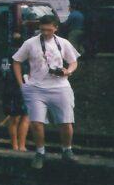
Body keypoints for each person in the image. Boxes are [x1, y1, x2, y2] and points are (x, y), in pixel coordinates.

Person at [12, 15, 79, 168]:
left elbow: (74, 61)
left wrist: (68, 71)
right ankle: (40, 152)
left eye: (49, 30)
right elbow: (16, 61)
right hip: (35, 88)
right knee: (36, 122)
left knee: (66, 121)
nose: (46, 33)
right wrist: (21, 84)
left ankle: (67, 150)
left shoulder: (63, 43)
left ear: (56, 28)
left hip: (60, 87)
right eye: (42, 30)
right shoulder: (30, 43)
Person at [0, 58, 29, 151]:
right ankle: (16, 145)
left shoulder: (30, 51)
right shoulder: (8, 54)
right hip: (13, 89)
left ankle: (20, 145)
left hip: (24, 87)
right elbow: (4, 70)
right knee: (16, 117)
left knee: (24, 116)